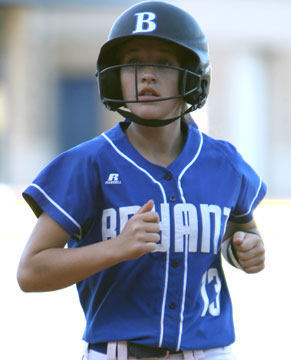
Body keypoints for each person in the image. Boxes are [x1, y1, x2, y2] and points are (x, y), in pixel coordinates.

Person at [17, 2, 266, 360]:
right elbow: (30, 272)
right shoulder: (89, 163)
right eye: (133, 63)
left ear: (192, 74)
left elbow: (240, 235)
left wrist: (246, 248)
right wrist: (115, 248)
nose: (146, 76)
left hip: (211, 350)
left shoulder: (225, 162)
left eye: (163, 63)